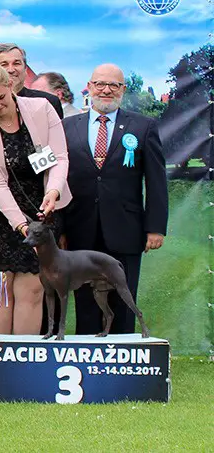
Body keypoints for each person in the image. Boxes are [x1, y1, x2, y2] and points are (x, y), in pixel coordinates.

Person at [61, 64, 167, 335]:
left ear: (123, 89)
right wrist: (59, 229)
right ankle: (85, 358)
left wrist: (155, 227)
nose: (106, 90)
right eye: (100, 84)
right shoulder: (66, 127)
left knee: (123, 299)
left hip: (126, 230)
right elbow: (57, 180)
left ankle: (122, 366)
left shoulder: (143, 127)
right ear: (89, 86)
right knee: (85, 302)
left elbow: (156, 181)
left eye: (114, 85)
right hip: (80, 229)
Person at [0, 63, 71, 335]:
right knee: (0, 292)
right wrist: (21, 225)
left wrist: (54, 191)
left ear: (11, 87)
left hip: (41, 206)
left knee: (33, 290)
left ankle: (22, 361)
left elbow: (58, 158)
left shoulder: (42, 110)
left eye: (2, 97)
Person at [0, 43, 64, 124]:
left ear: (25, 69)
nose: (10, 70)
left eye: (16, 63)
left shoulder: (48, 102)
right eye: (4, 64)